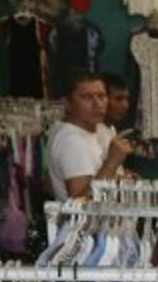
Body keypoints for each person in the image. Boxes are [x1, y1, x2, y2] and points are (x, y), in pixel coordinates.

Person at [47, 71, 133, 201]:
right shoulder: (72, 141)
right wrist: (112, 162)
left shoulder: (89, 130)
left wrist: (121, 176)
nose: (98, 104)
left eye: (102, 96)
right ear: (67, 103)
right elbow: (80, 204)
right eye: (87, 97)